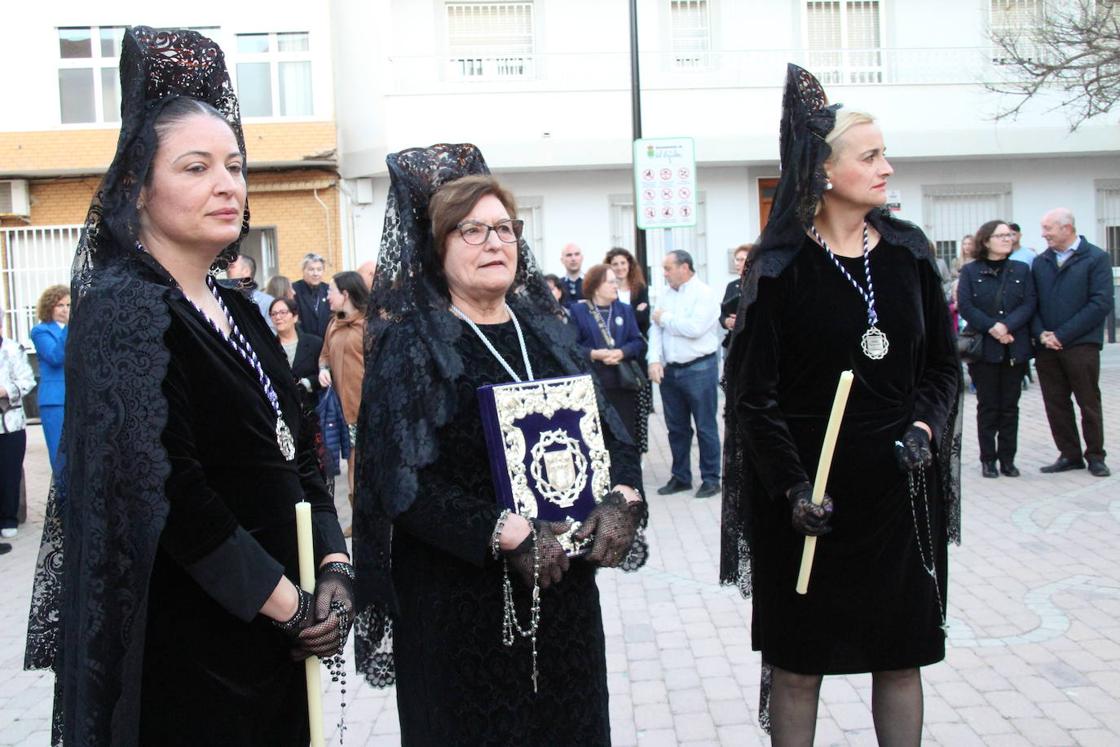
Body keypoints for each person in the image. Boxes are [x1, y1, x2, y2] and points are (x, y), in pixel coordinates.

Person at [22, 28, 352, 746]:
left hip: (278, 638)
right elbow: (168, 490)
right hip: (195, 648)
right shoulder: (123, 307)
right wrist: (289, 603)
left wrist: (332, 563)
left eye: (235, 165)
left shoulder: (238, 307)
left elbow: (296, 448)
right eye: (197, 167)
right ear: (137, 189)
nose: (227, 184)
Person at [351, 145, 647, 744]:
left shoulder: (546, 333)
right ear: (437, 247)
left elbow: (611, 435)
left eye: (505, 228)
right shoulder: (413, 345)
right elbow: (396, 483)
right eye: (473, 230)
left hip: (562, 598)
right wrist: (503, 532)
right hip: (459, 609)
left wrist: (620, 500)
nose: (495, 242)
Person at [721, 65, 961, 745]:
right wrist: (793, 486)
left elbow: (942, 366)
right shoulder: (780, 266)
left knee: (901, 652)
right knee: (799, 665)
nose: (888, 167)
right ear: (824, 173)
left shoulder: (911, 254)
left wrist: (924, 425)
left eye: (885, 153)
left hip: (898, 490)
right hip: (807, 496)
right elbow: (752, 398)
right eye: (871, 155)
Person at [1032, 208, 1114, 477]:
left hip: (1081, 346)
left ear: (1067, 228)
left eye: (1048, 228)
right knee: (1055, 403)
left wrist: (1062, 335)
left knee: (1088, 402)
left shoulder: (1096, 258)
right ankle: (1069, 454)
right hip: (1047, 347)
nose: (1044, 234)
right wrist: (1042, 333)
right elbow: (1032, 302)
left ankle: (1095, 456)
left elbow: (1100, 303)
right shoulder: (1041, 261)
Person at [957, 221, 1036, 478]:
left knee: (1010, 407)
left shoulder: (1022, 269)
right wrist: (992, 327)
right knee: (988, 405)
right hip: (985, 349)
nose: (1007, 239)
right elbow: (967, 307)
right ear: (986, 241)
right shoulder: (971, 271)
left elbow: (1029, 303)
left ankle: (1008, 460)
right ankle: (988, 460)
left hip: (1014, 346)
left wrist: (1006, 326)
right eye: (1000, 235)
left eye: (1009, 235)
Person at [648, 249, 722, 499]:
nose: (664, 274)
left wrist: (665, 318)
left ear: (685, 267)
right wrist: (654, 359)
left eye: (668, 268)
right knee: (676, 428)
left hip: (699, 368)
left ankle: (711, 478)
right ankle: (681, 477)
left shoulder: (705, 294)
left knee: (705, 427)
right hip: (671, 371)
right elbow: (654, 329)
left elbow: (695, 328)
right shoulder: (665, 295)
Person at [570, 263, 647, 442]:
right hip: (593, 385)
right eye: (611, 282)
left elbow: (637, 341)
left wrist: (621, 352)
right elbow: (571, 347)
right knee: (597, 436)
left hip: (623, 384)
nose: (616, 286)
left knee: (625, 435)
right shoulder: (579, 311)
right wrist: (594, 354)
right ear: (596, 287)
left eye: (616, 282)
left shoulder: (624, 310)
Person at [318, 270, 368, 511]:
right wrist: (323, 369)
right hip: (342, 410)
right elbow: (324, 355)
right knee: (351, 462)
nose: (327, 296)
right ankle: (357, 517)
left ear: (345, 294)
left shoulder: (370, 325)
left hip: (367, 410)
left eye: (331, 290)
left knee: (368, 463)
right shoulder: (333, 324)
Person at [0, 321, 36, 539]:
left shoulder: (13, 349)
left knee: (9, 473)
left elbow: (28, 381)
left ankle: (8, 518)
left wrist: (5, 390)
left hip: (10, 422)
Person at [30, 285, 70, 473]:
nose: (65, 309)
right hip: (55, 401)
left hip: (78, 397)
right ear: (49, 307)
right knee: (60, 455)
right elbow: (55, 357)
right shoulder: (40, 331)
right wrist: (70, 326)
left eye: (69, 304)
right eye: (60, 305)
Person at [270, 297, 322, 409]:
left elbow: (325, 373)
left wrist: (307, 383)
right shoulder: (268, 347)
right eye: (273, 314)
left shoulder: (314, 343)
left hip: (312, 408)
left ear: (295, 317)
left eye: (283, 312)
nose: (278, 317)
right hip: (281, 410)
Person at [605, 246, 651, 337]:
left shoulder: (641, 288)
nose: (620, 267)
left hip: (638, 340)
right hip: (614, 340)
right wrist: (635, 313)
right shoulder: (606, 290)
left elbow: (643, 318)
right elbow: (609, 320)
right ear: (609, 267)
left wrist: (620, 318)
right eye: (615, 264)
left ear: (629, 264)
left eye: (623, 263)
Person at [227, 254, 275, 329]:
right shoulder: (225, 299)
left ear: (246, 271)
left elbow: (272, 334)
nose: (228, 270)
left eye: (232, 267)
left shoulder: (267, 302)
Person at [292, 253, 332, 337]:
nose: (315, 273)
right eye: (311, 269)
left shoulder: (329, 290)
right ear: (303, 270)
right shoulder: (294, 290)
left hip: (326, 343)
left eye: (319, 269)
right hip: (304, 342)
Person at [720, 244, 753, 346]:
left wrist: (744, 320)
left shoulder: (763, 285)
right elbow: (722, 312)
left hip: (754, 342)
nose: (737, 264)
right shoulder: (731, 286)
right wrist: (726, 321)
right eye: (736, 259)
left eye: (742, 260)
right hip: (734, 343)